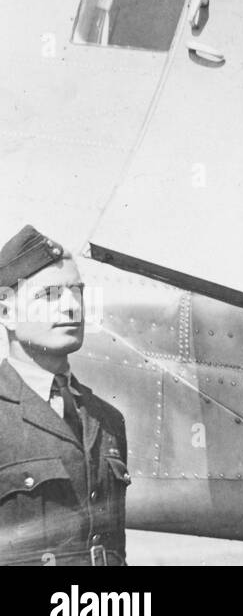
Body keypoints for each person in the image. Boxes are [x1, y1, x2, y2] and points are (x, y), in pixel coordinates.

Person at [0, 224, 130, 565]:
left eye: (77, 292)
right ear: (6, 312)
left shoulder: (107, 420)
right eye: (50, 294)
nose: (72, 307)